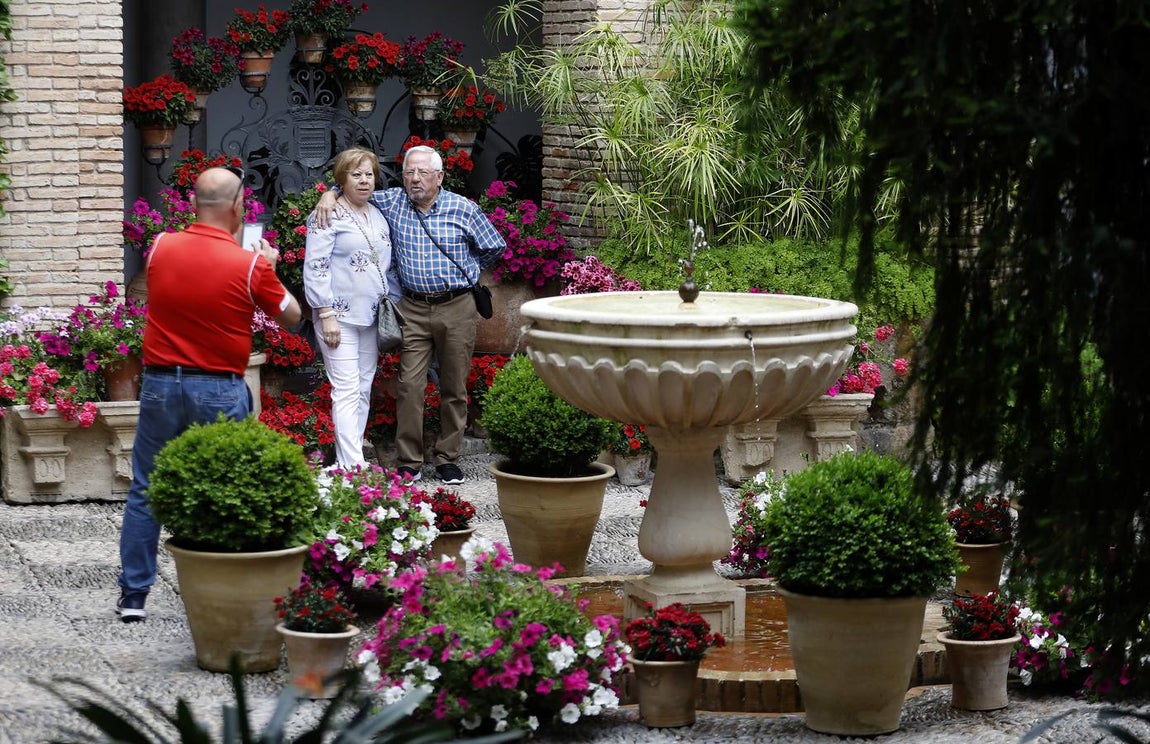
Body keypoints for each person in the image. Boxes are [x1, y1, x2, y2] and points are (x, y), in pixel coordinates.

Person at [116, 166, 302, 623]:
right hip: (218, 387)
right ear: (239, 207)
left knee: (145, 488)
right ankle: (223, 592)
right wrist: (270, 269)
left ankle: (134, 598)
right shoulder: (250, 264)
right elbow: (293, 317)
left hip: (160, 383)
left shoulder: (160, 246)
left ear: (196, 204)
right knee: (227, 484)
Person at [315, 145, 505, 485]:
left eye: (422, 173)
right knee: (409, 385)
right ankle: (409, 461)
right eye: (408, 173)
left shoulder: (463, 208)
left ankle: (447, 458)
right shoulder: (391, 202)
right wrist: (329, 194)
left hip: (457, 305)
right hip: (413, 307)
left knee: (454, 384)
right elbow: (355, 185)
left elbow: (494, 246)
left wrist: (470, 274)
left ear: (439, 177)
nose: (414, 179)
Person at [303, 147, 400, 470]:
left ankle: (350, 460)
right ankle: (355, 467)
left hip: (371, 317)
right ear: (341, 179)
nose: (364, 181)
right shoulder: (327, 214)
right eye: (355, 174)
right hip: (337, 316)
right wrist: (325, 313)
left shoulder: (377, 212)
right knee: (345, 388)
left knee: (362, 388)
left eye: (369, 174)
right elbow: (315, 266)